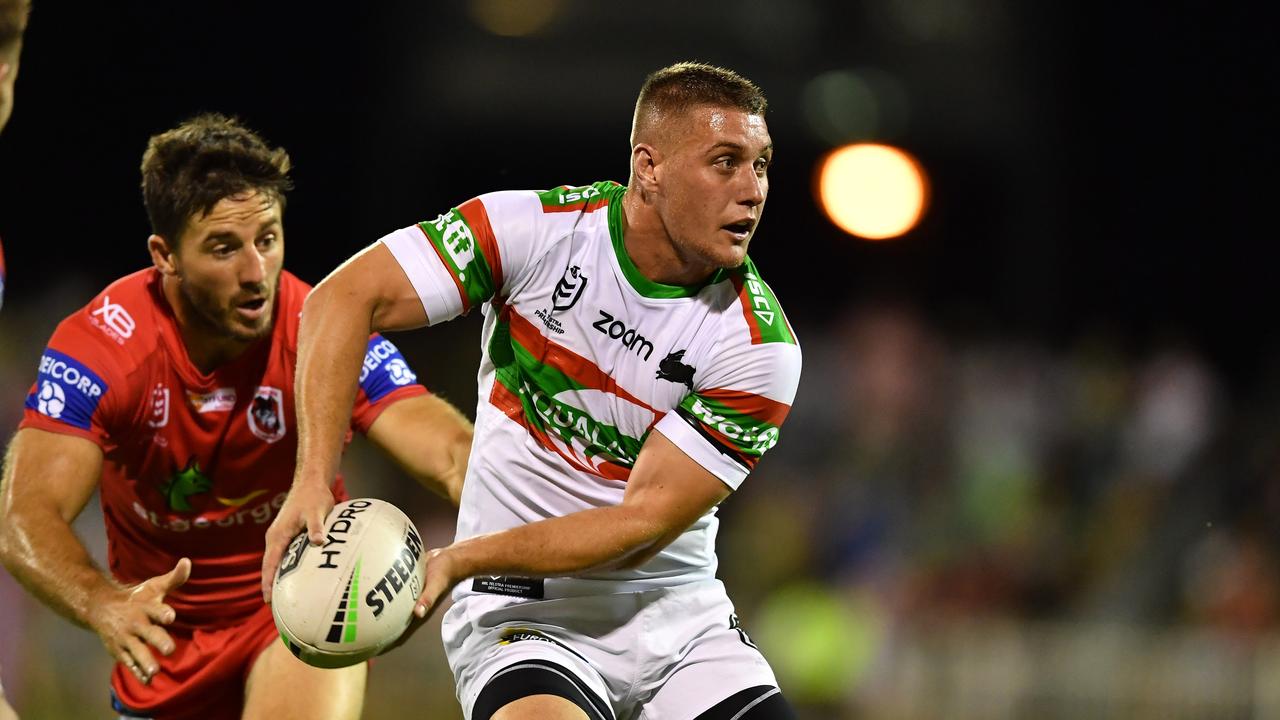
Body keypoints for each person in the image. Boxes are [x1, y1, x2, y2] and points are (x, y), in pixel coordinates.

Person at [264, 62, 802, 719]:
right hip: (527, 617)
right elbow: (341, 299)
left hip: (681, 625)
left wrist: (459, 559)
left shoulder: (759, 346)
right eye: (725, 162)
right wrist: (313, 477)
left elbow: (640, 523)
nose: (753, 190)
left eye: (762, 164)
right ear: (650, 167)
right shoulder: (532, 232)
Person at [0, 114, 473, 720]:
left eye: (268, 239)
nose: (256, 273)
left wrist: (543, 523)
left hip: (299, 605)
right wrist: (103, 603)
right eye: (224, 248)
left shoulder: (319, 329)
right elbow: (25, 515)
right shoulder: (104, 346)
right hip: (166, 638)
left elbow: (452, 454)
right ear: (165, 256)